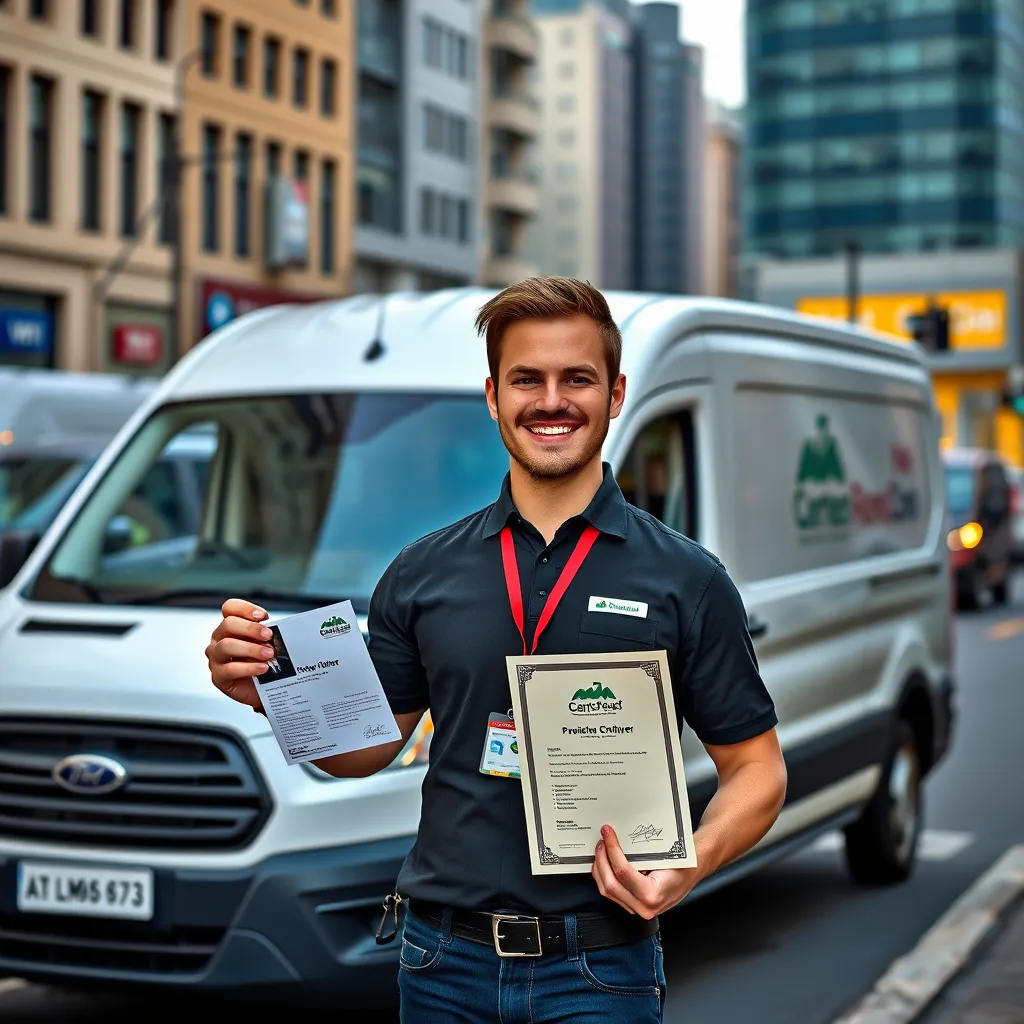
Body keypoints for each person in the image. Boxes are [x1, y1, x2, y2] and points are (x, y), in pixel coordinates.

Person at [206, 277, 788, 1023]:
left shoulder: (687, 578)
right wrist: (272, 690)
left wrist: (690, 863)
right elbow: (360, 749)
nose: (551, 400)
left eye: (576, 378)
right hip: (442, 962)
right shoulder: (422, 571)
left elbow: (757, 769)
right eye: (527, 379)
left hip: (602, 965)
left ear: (614, 395)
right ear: (493, 396)